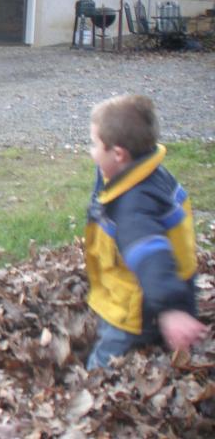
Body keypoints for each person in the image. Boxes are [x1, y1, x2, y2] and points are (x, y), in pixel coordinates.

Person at [84, 94, 207, 369]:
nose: (92, 152)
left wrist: (171, 310)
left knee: (103, 361)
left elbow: (151, 254)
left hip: (134, 309)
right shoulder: (148, 173)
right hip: (163, 292)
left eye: (95, 145)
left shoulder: (133, 207)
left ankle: (89, 387)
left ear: (119, 154)